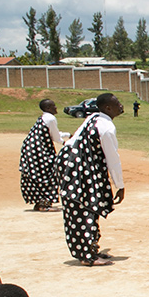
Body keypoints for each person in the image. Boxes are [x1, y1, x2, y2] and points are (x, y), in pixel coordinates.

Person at [59, 92, 125, 267]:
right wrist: (120, 185)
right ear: (107, 108)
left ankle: (90, 248)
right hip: (79, 168)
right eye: (117, 103)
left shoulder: (94, 118)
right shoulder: (106, 127)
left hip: (75, 165)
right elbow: (113, 158)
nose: (121, 105)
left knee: (88, 206)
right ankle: (86, 255)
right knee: (85, 207)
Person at [19, 99, 66, 211]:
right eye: (53, 106)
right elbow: (55, 138)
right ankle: (43, 205)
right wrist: (66, 143)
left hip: (31, 150)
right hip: (38, 151)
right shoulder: (50, 118)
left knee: (38, 175)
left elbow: (53, 134)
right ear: (48, 108)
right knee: (48, 173)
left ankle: (40, 202)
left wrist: (68, 135)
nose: (56, 107)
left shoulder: (43, 118)